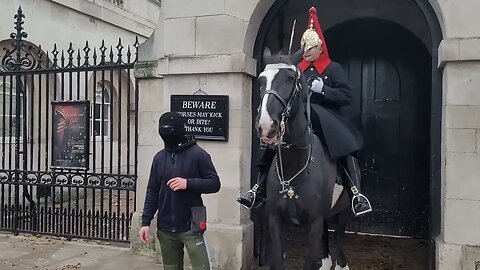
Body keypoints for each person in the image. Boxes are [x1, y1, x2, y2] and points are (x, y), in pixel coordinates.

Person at [238, 7, 372, 217]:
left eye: (311, 47)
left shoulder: (332, 68)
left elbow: (346, 96)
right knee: (271, 140)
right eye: (304, 47)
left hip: (326, 115)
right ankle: (257, 188)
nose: (307, 50)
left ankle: (355, 194)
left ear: (320, 48)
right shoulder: (294, 69)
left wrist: (324, 89)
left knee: (343, 145)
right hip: (299, 114)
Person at [139, 111, 221, 270]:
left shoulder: (198, 154)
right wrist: (145, 222)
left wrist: (188, 183)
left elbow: (214, 183)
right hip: (165, 229)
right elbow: (152, 191)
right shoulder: (159, 158)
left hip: (191, 227)